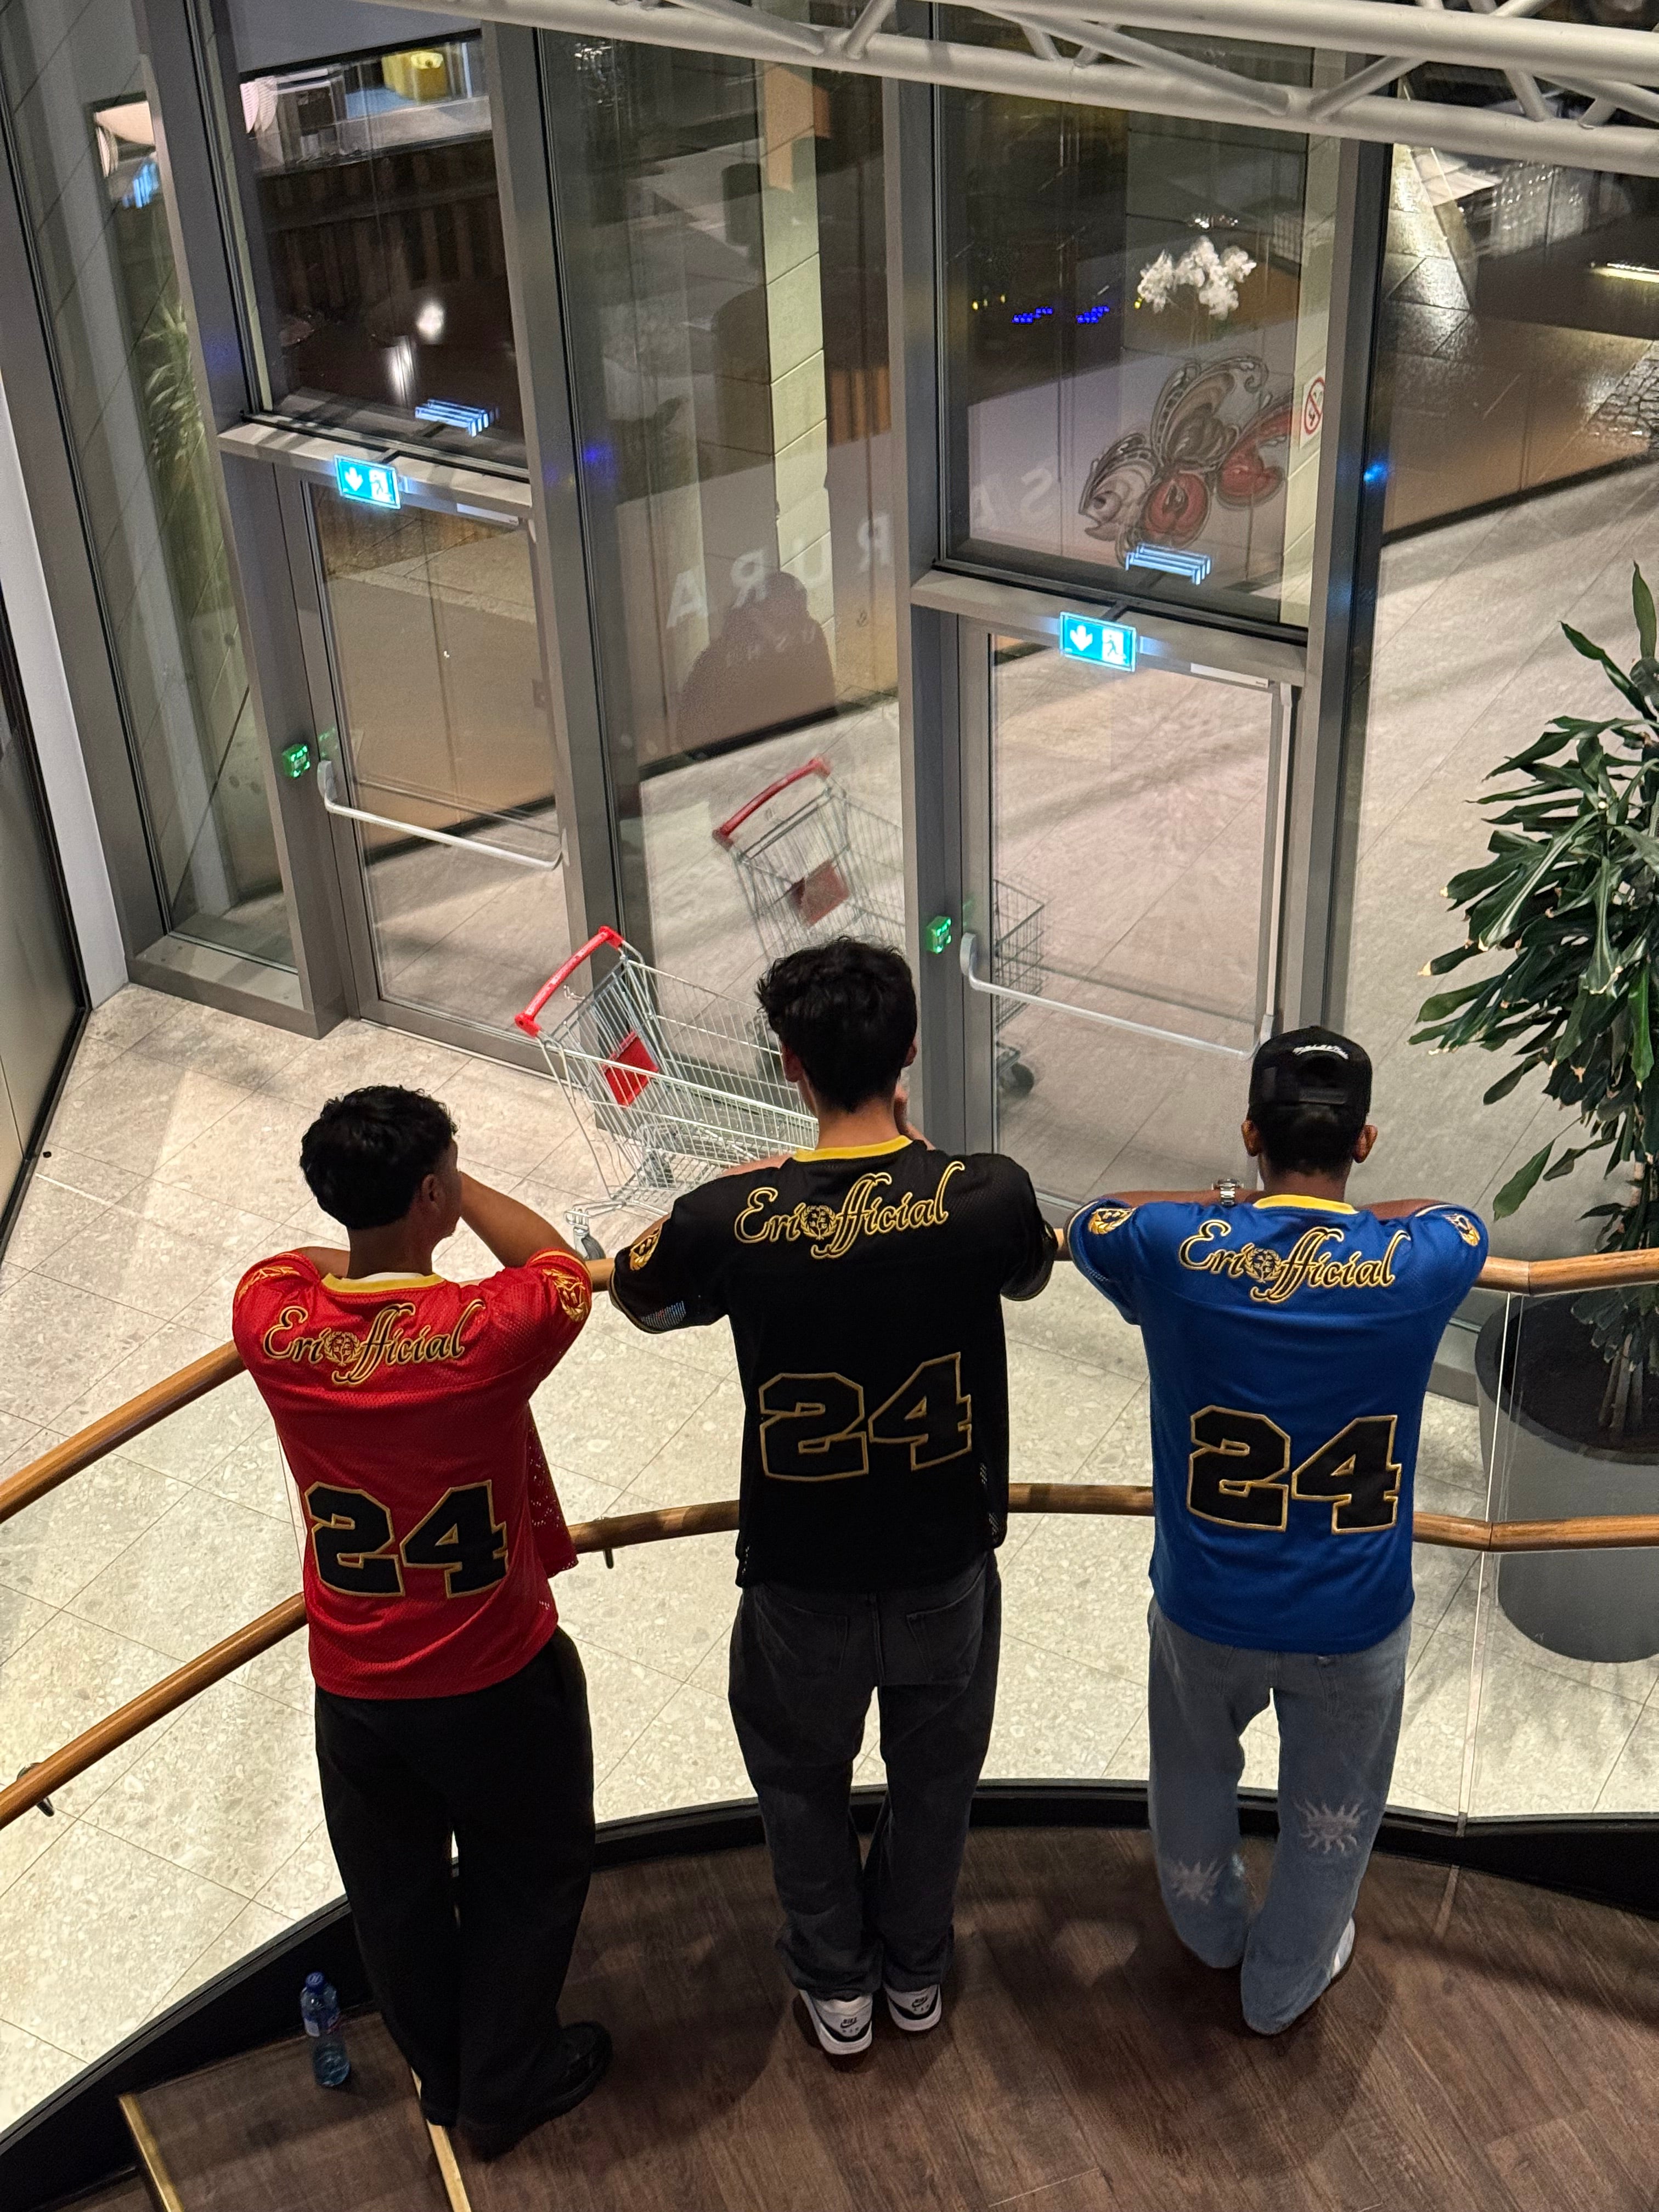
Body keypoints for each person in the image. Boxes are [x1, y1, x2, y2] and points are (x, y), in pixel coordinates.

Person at [608, 939, 1056, 2058]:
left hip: (800, 1572)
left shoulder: (730, 1215)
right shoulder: (986, 1193)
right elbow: (1028, 1272)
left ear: (789, 1065)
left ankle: (837, 1986)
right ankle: (916, 1973)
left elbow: (636, 1292)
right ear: (910, 1053)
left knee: (801, 1780)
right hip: (943, 1561)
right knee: (936, 1778)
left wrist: (756, 1202)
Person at [1068, 1026, 1488, 2036]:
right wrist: (1341, 1234)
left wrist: (1229, 1210)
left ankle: (1210, 1934)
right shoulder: (1421, 1266)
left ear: (1251, 1133)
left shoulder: (1176, 1251)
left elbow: (1093, 1220)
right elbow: (1460, 1220)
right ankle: (1281, 1986)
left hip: (1207, 1600)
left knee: (1190, 1779)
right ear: (1366, 1142)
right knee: (1333, 1819)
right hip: (1354, 1615)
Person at [232, 1085, 610, 2158]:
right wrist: (452, 1192)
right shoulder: (483, 1331)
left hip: (355, 1686)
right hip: (496, 1674)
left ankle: (443, 2079)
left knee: (393, 1900)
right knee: (529, 1874)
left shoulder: (270, 1318)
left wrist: (390, 1220)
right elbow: (557, 1266)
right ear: (434, 1194)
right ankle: (506, 2084)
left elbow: (302, 1263)